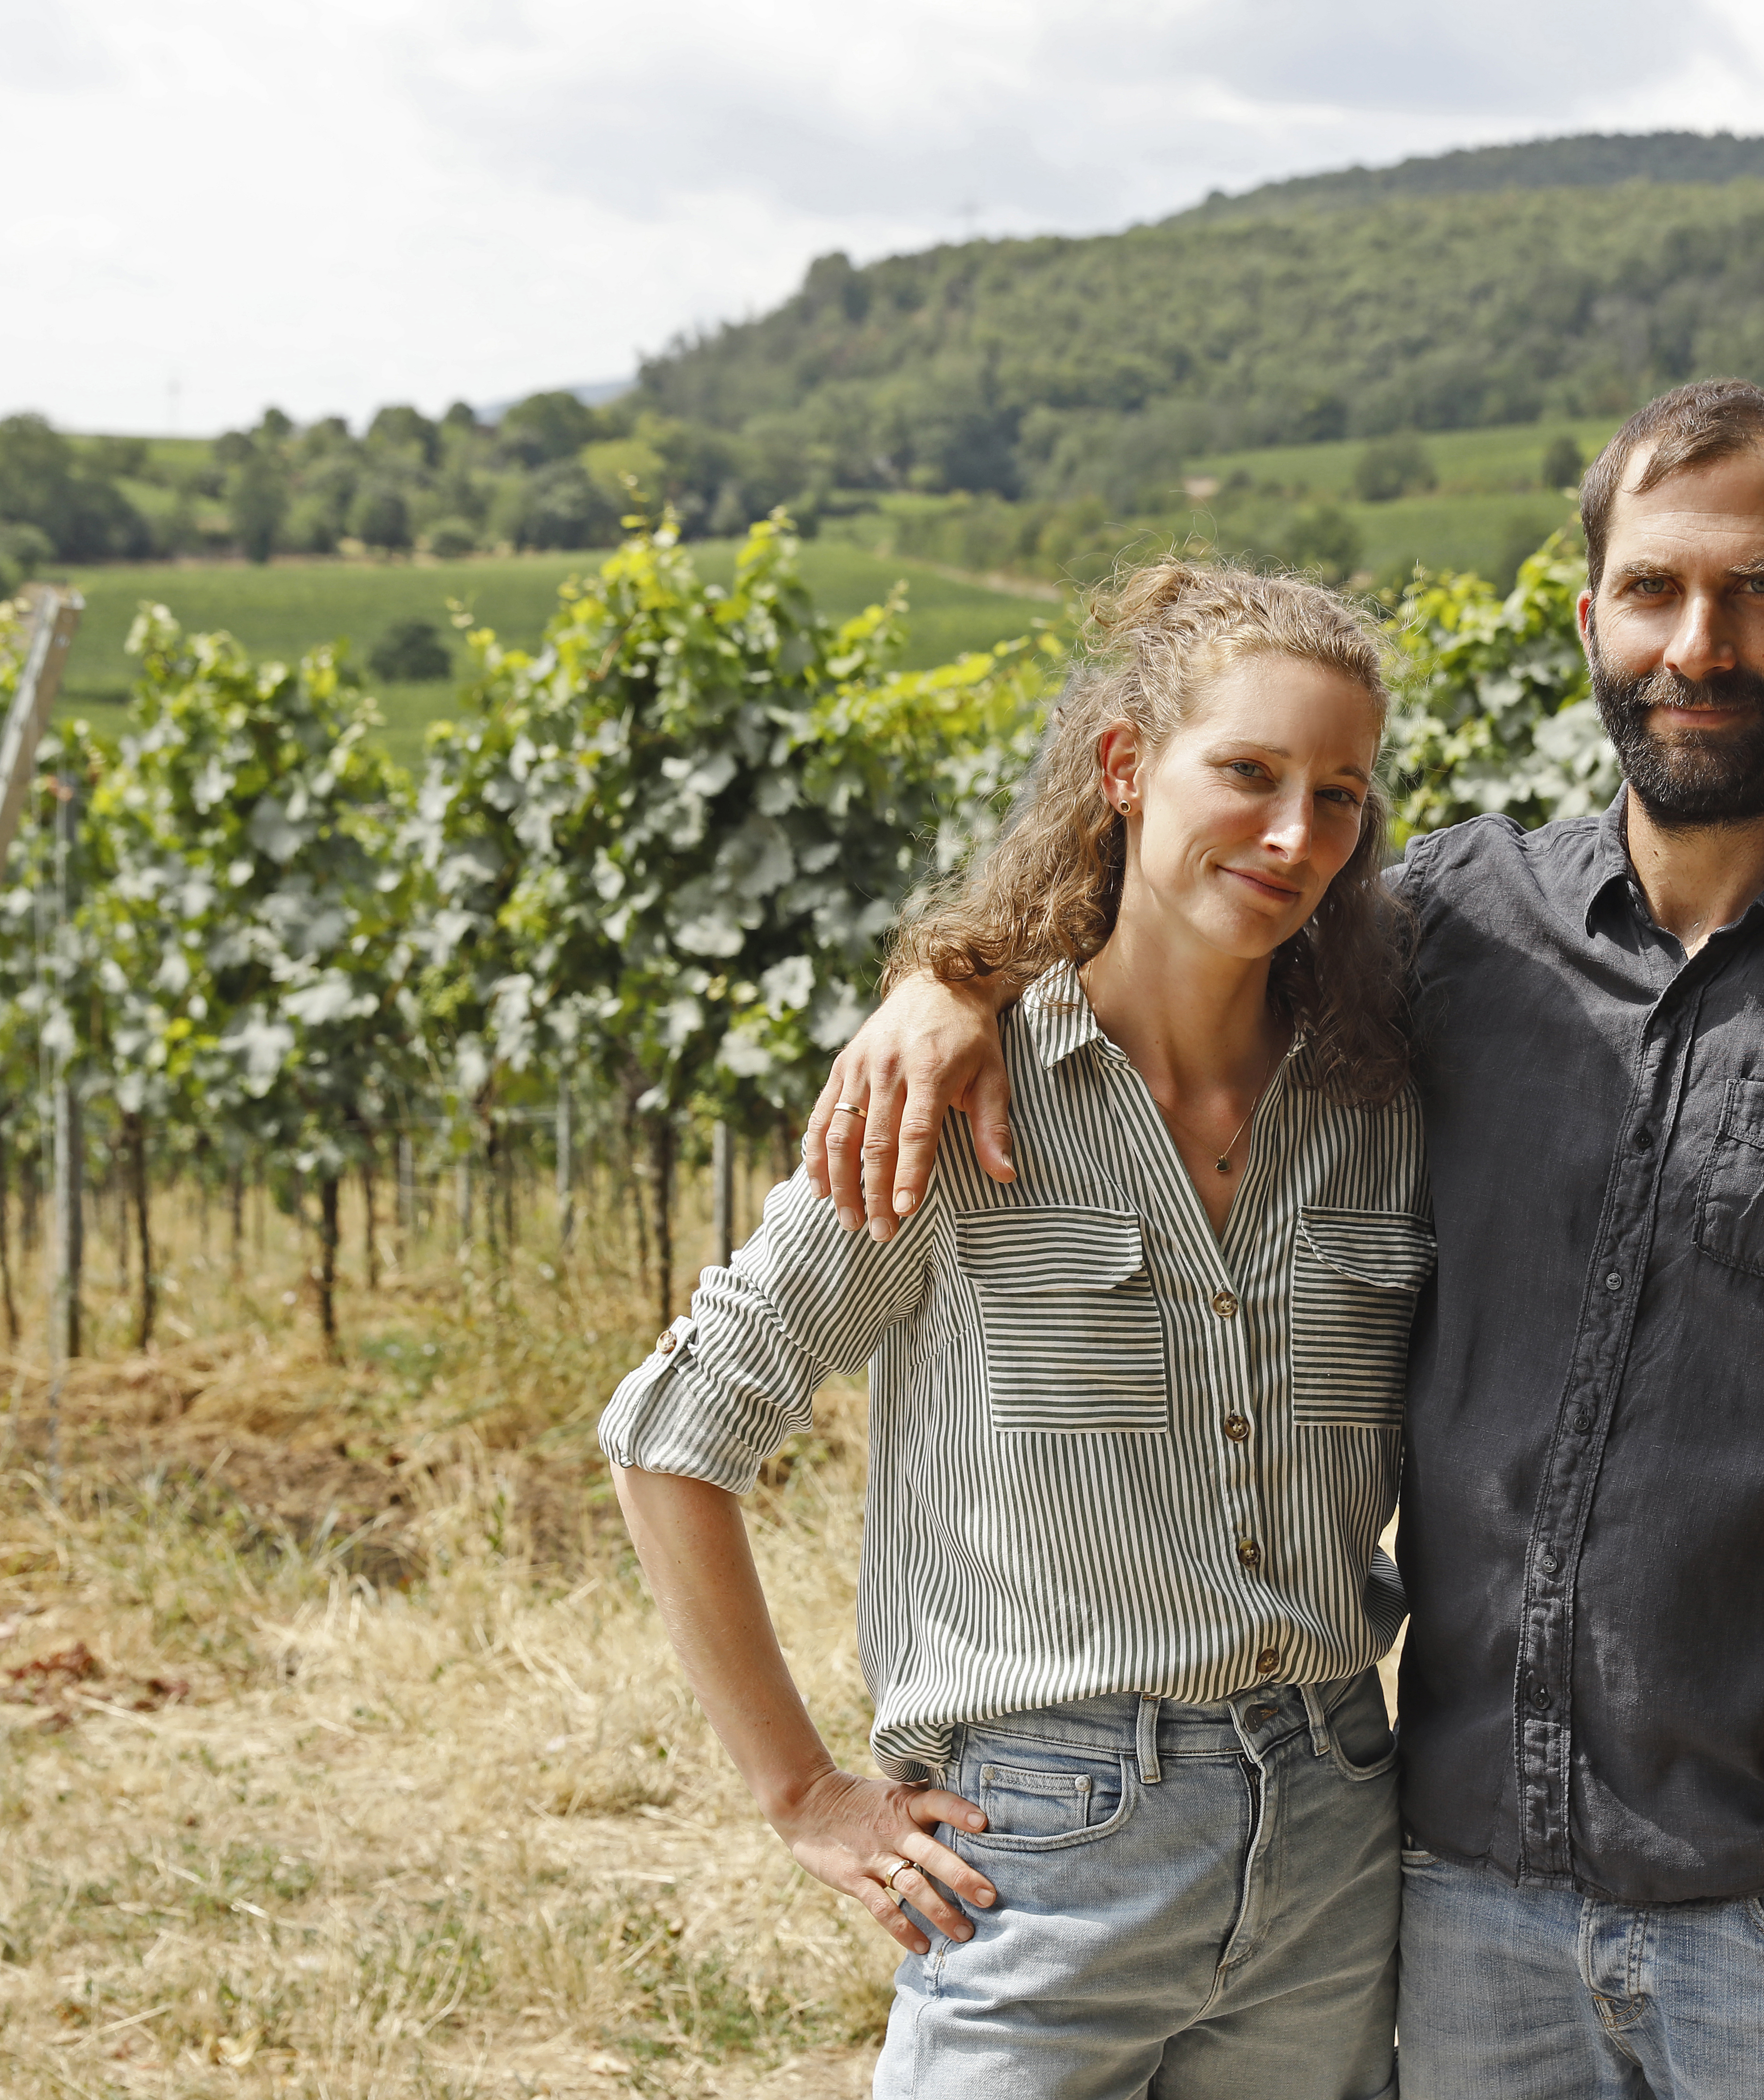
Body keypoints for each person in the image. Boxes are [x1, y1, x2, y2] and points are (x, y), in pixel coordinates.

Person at [805, 379, 1764, 2097]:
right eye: (1654, 589)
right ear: (1592, 621)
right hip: (1459, 1910)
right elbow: (1183, 911)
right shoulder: (1457, 933)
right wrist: (951, 981)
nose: (1697, 642)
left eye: (1758, 591)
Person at [603, 561, 1423, 2100]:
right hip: (1041, 1857)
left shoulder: (1386, 1103)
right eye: (1246, 772)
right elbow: (673, 1435)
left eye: (1340, 794)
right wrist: (802, 1797)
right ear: (1125, 769)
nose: (1296, 833)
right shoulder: (959, 1097)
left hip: (1332, 1827)